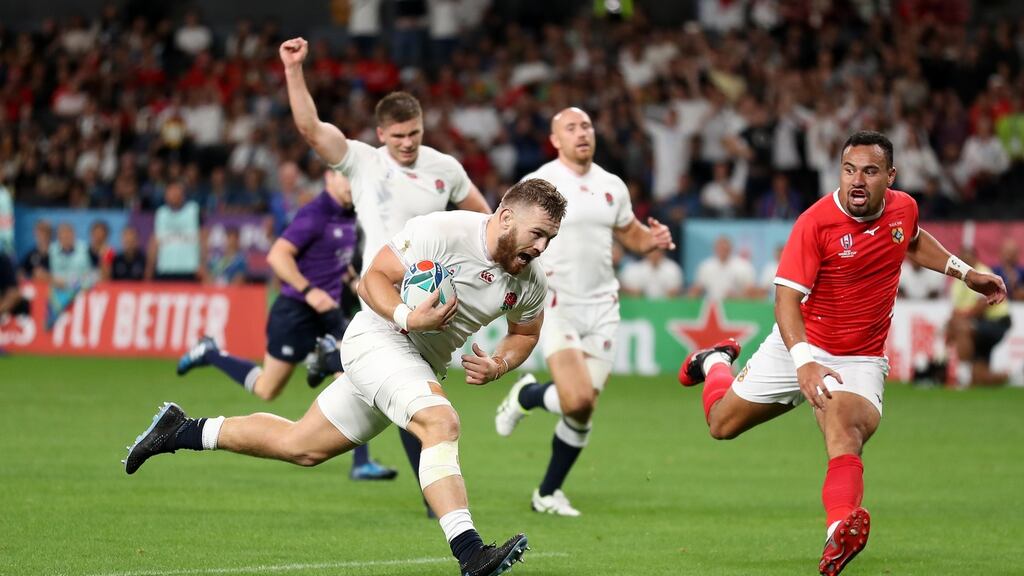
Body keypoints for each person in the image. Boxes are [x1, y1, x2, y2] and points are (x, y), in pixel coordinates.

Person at [124, 179, 567, 576]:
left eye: (550, 238)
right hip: (379, 338)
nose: (542, 247)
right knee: (441, 421)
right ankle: (471, 554)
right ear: (506, 217)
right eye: (537, 234)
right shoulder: (444, 231)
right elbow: (373, 278)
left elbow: (525, 333)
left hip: (419, 364)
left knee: (300, 446)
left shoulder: (530, 280)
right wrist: (406, 315)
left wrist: (500, 365)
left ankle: (180, 430)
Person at [675, 131, 1007, 576]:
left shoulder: (903, 207)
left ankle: (837, 535)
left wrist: (965, 273)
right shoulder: (815, 223)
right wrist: (804, 362)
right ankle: (714, 361)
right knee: (720, 425)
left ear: (889, 176)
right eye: (849, 169)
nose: (857, 180)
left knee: (843, 429)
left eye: (869, 171)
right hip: (798, 344)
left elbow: (911, 238)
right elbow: (785, 301)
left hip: (859, 359)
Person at [279, 37, 491, 491]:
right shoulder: (363, 162)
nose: (408, 143)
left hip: (433, 294)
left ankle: (332, 354)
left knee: (412, 390)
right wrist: (294, 70)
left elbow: (483, 220)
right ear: (380, 135)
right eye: (398, 137)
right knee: (415, 392)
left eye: (414, 133)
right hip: (382, 294)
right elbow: (311, 129)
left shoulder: (445, 168)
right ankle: (433, 492)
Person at [493, 107, 675, 516]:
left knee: (583, 408)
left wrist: (653, 240)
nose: (582, 133)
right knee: (575, 399)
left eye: (587, 126)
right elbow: (507, 234)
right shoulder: (539, 184)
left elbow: (631, 234)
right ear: (555, 140)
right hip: (556, 303)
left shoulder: (612, 185)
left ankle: (547, 492)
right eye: (571, 128)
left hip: (603, 306)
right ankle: (529, 394)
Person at [176, 171, 395, 480]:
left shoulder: (349, 215)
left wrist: (351, 279)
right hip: (295, 312)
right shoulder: (315, 213)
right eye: (346, 178)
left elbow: (334, 258)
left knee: (354, 374)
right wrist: (308, 291)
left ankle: (361, 462)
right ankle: (210, 352)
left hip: (328, 315)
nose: (351, 185)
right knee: (267, 388)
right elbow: (278, 256)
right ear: (330, 177)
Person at [946, 246, 1012, 387]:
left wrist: (958, 318)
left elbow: (981, 307)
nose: (965, 262)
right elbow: (955, 309)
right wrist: (952, 322)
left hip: (996, 323)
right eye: (962, 260)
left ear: (976, 258)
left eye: (968, 259)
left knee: (962, 328)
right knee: (979, 379)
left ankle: (962, 375)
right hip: (980, 324)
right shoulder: (958, 280)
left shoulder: (982, 273)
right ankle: (1010, 377)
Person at [146, 182, 201, 282]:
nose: (174, 196)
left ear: (183, 195)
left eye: (177, 192)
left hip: (189, 269)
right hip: (165, 269)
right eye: (170, 193)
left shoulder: (193, 210)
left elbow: (203, 237)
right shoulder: (160, 214)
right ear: (165, 196)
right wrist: (149, 270)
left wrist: (201, 264)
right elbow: (155, 242)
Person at [688, 236, 756, 301]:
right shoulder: (706, 266)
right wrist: (693, 293)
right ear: (715, 249)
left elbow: (752, 292)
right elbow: (697, 289)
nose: (722, 251)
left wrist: (737, 296)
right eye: (720, 248)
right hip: (712, 306)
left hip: (737, 305)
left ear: (731, 249)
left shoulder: (743, 266)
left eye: (725, 248)